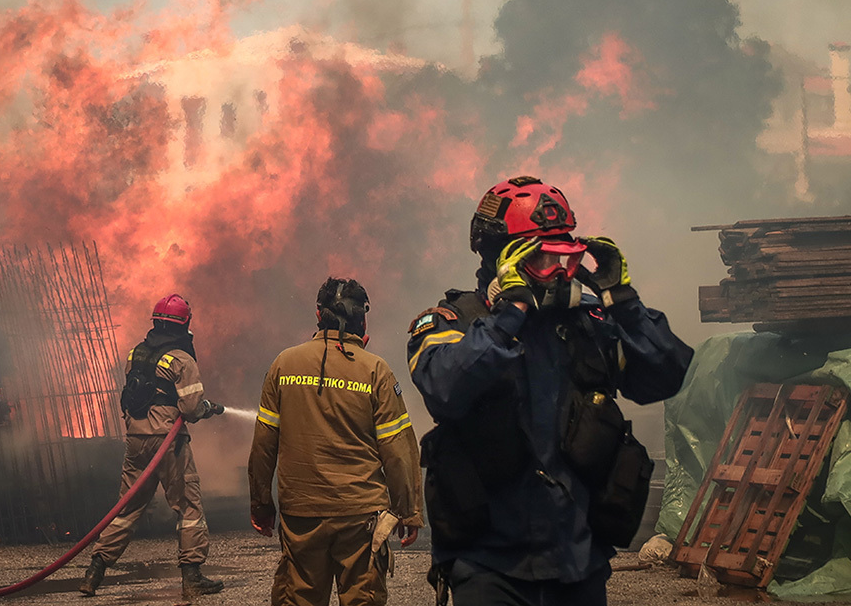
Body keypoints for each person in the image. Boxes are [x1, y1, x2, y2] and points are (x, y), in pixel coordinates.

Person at [406, 176, 694, 606]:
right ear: (499, 257)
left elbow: (667, 375)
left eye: (565, 256)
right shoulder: (455, 322)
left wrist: (624, 302)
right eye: (542, 257)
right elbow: (444, 387)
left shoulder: (588, 322)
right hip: (489, 564)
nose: (558, 271)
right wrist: (510, 313)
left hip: (577, 562)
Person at [249, 277, 424, 606]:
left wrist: (261, 503)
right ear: (363, 319)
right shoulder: (376, 370)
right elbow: (397, 449)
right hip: (361, 516)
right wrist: (407, 511)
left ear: (319, 314)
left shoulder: (284, 364)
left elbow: (263, 445)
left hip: (301, 514)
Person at [80, 293, 225, 598]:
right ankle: (192, 575)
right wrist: (208, 408)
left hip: (136, 440)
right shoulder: (182, 359)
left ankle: (94, 571)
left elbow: (131, 396)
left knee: (127, 507)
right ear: (184, 323)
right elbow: (190, 408)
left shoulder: (136, 354)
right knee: (188, 506)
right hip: (168, 442)